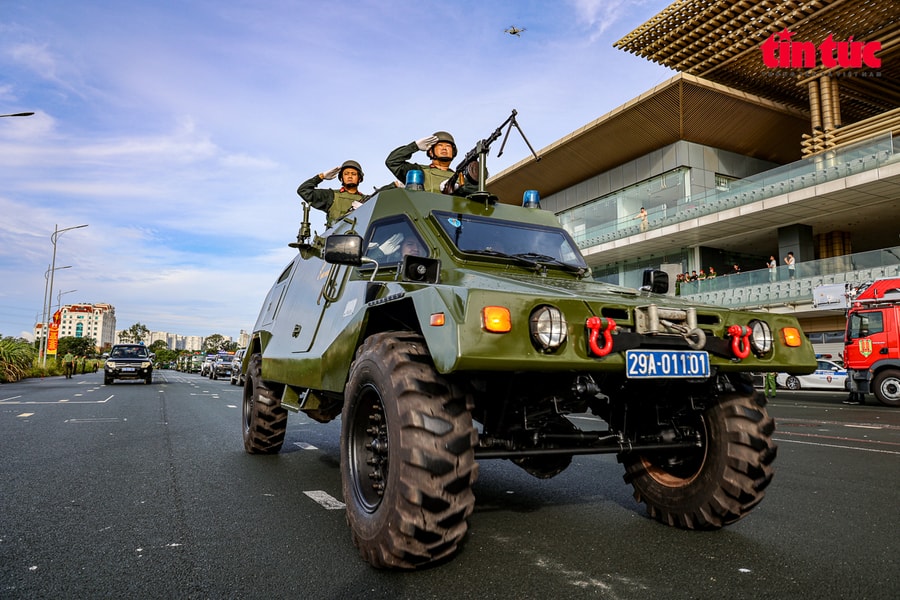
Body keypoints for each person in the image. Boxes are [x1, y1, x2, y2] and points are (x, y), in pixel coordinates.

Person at [385, 131, 478, 195]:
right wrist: (415, 146)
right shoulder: (419, 171)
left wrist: (461, 189)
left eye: (448, 146)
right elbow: (392, 161)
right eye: (440, 145)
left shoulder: (460, 177)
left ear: (453, 152)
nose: (444, 148)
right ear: (430, 151)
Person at [296, 160, 366, 228]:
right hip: (334, 238)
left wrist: (365, 208)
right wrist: (321, 176)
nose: (350, 176)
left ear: (359, 178)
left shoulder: (367, 200)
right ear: (341, 178)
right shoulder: (331, 196)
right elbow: (303, 190)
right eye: (346, 174)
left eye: (353, 174)